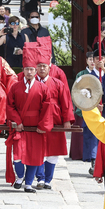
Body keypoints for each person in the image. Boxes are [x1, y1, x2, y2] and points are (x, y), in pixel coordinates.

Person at [6, 44, 53, 193]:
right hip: (21, 128)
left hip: (36, 128)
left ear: (36, 71)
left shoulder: (43, 88)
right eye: (26, 69)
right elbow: (9, 106)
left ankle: (28, 183)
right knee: (18, 156)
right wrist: (17, 122)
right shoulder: (15, 87)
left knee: (34, 157)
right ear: (23, 70)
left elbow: (47, 107)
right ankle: (20, 177)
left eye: (32, 69)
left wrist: (42, 125)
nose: (29, 72)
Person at [35, 43, 74, 189]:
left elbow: (66, 101)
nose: (42, 68)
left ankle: (48, 180)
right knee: (38, 150)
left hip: (55, 121)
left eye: (45, 65)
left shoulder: (58, 83)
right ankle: (39, 178)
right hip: (37, 121)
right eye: (39, 66)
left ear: (49, 65)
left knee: (53, 151)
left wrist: (67, 120)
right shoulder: (31, 83)